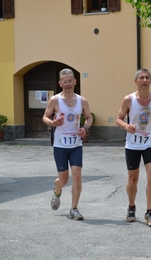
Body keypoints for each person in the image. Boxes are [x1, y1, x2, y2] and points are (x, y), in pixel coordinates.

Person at [42, 68, 93, 220]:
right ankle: (57, 190)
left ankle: (74, 209)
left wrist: (84, 128)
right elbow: (45, 116)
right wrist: (53, 122)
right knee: (63, 179)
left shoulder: (82, 101)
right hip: (60, 144)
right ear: (60, 83)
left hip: (76, 144)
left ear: (75, 82)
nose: (68, 84)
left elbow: (89, 117)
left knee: (77, 175)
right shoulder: (55, 100)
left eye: (70, 81)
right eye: (64, 82)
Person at [116, 68, 151, 227]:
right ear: (136, 81)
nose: (144, 80)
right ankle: (131, 207)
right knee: (133, 179)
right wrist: (126, 125)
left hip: (149, 143)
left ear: (150, 81)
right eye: (141, 77)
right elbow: (118, 118)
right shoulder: (129, 100)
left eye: (147, 77)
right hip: (132, 144)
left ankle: (150, 212)